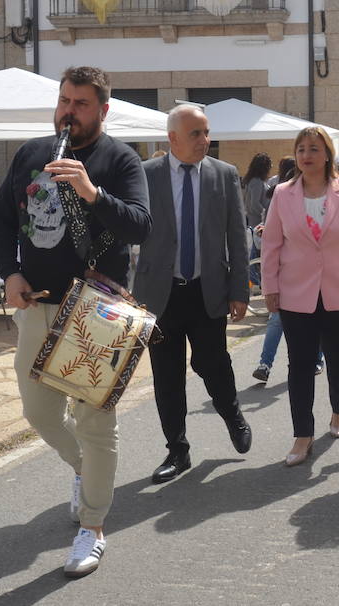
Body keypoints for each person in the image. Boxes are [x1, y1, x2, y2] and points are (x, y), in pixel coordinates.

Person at [0, 66, 151, 578]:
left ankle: (93, 527)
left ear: (103, 110)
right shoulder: (33, 153)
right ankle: (84, 469)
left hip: (95, 312)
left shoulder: (120, 159)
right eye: (64, 100)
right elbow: (2, 222)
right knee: (38, 413)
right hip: (37, 303)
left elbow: (140, 225)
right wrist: (9, 273)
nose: (68, 111)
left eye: (81, 104)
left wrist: (91, 193)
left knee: (96, 422)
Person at [133, 104, 252, 485]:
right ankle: (177, 451)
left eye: (206, 132)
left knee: (213, 364)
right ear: (172, 139)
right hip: (160, 293)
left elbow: (237, 234)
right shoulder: (145, 175)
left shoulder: (224, 175)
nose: (205, 140)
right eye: (196, 134)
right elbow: (126, 228)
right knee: (167, 376)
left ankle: (232, 414)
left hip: (207, 290)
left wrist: (240, 290)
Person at [261, 126, 339, 467]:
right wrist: (270, 287)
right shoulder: (283, 194)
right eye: (300, 149)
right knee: (299, 363)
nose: (306, 155)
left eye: (313, 149)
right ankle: (302, 434)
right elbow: (271, 244)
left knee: (338, 356)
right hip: (295, 292)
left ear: (327, 154)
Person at [253, 157, 321, 382]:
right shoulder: (280, 195)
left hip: (314, 275)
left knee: (315, 318)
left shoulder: (319, 199)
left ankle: (316, 359)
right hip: (286, 273)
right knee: (276, 320)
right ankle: (265, 363)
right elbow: (272, 233)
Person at [241, 153, 273, 292]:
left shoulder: (252, 181)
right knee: (258, 255)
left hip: (256, 221)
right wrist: (266, 213)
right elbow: (254, 204)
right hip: (258, 223)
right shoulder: (257, 182)